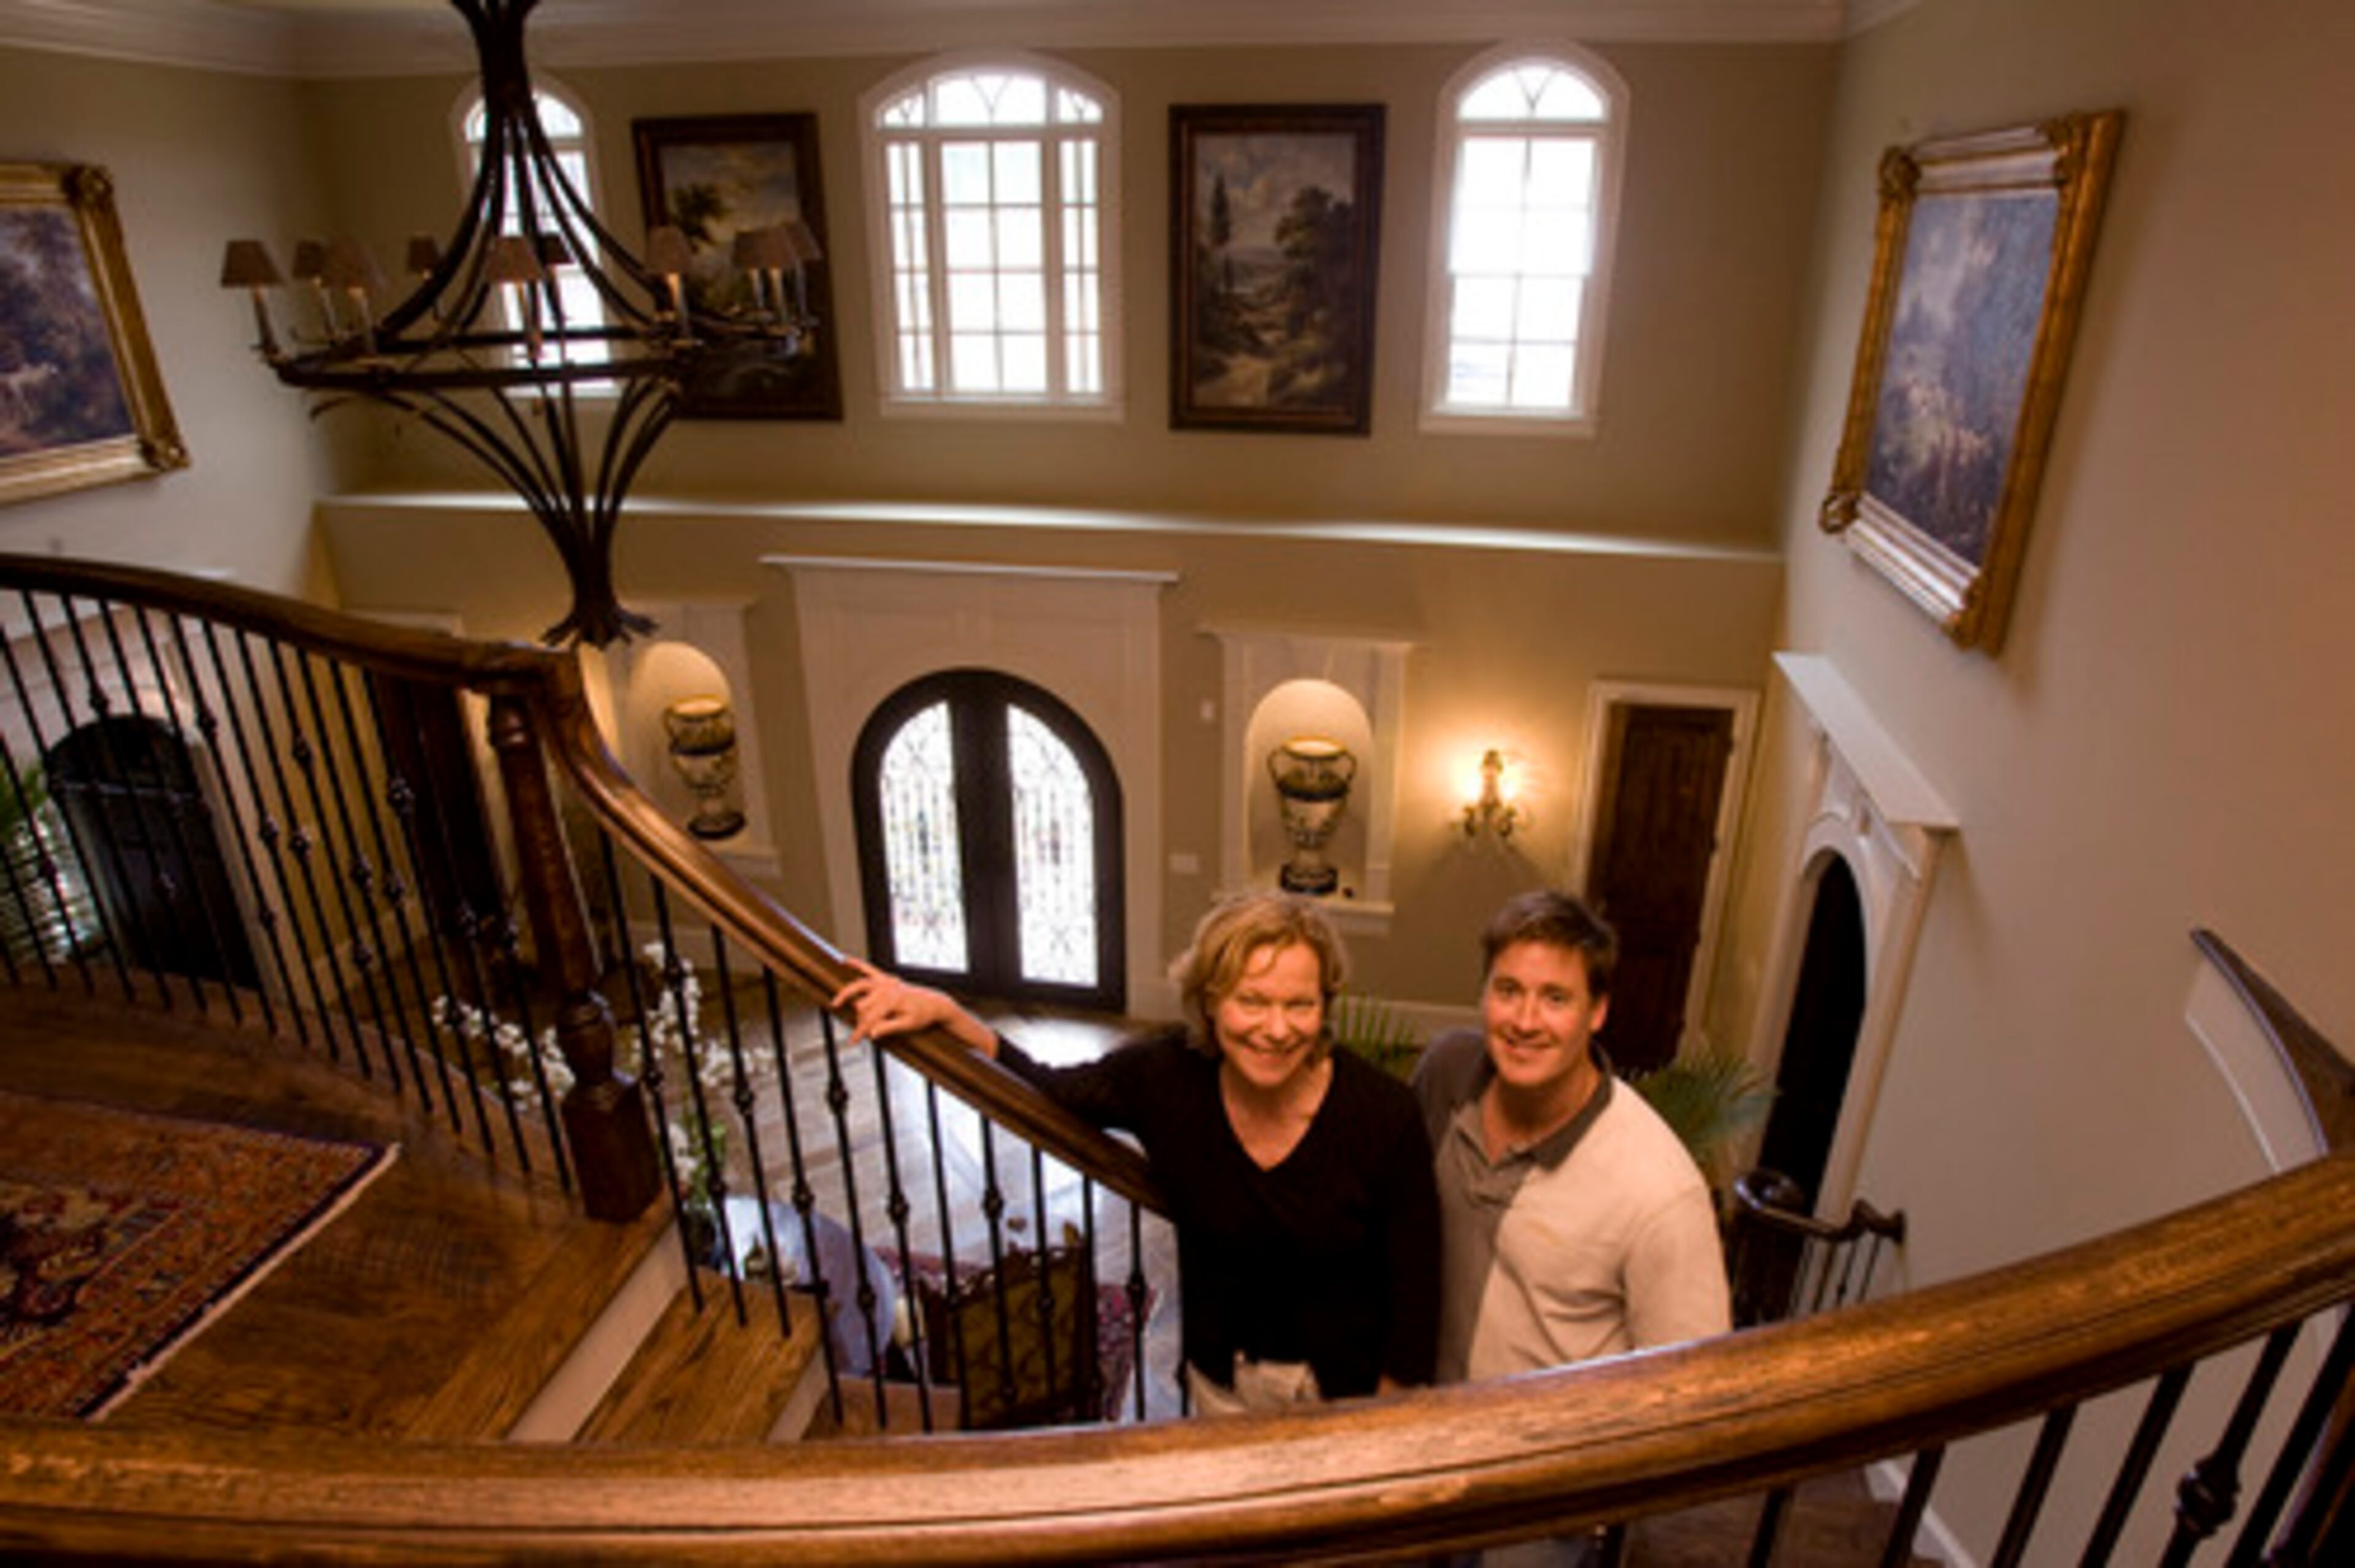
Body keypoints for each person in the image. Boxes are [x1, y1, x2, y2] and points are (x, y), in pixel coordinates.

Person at [835, 891, 1440, 1413]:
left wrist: (1385, 1419)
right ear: (1209, 1001)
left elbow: (1416, 1286)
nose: (1277, 1028)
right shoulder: (1165, 1076)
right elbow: (1050, 1088)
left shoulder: (1383, 1112)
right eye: (1252, 1001)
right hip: (1220, 1376)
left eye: (1299, 1004)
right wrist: (952, 1015)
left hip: (1345, 1387)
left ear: (1325, 1005)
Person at [1413, 889, 1729, 1388]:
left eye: (1556, 998)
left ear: (1598, 1010)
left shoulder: (1662, 1193)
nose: (1524, 1021)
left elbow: (1689, 1391)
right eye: (1508, 989)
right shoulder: (1446, 1075)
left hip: (1543, 1456)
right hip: (1418, 1418)